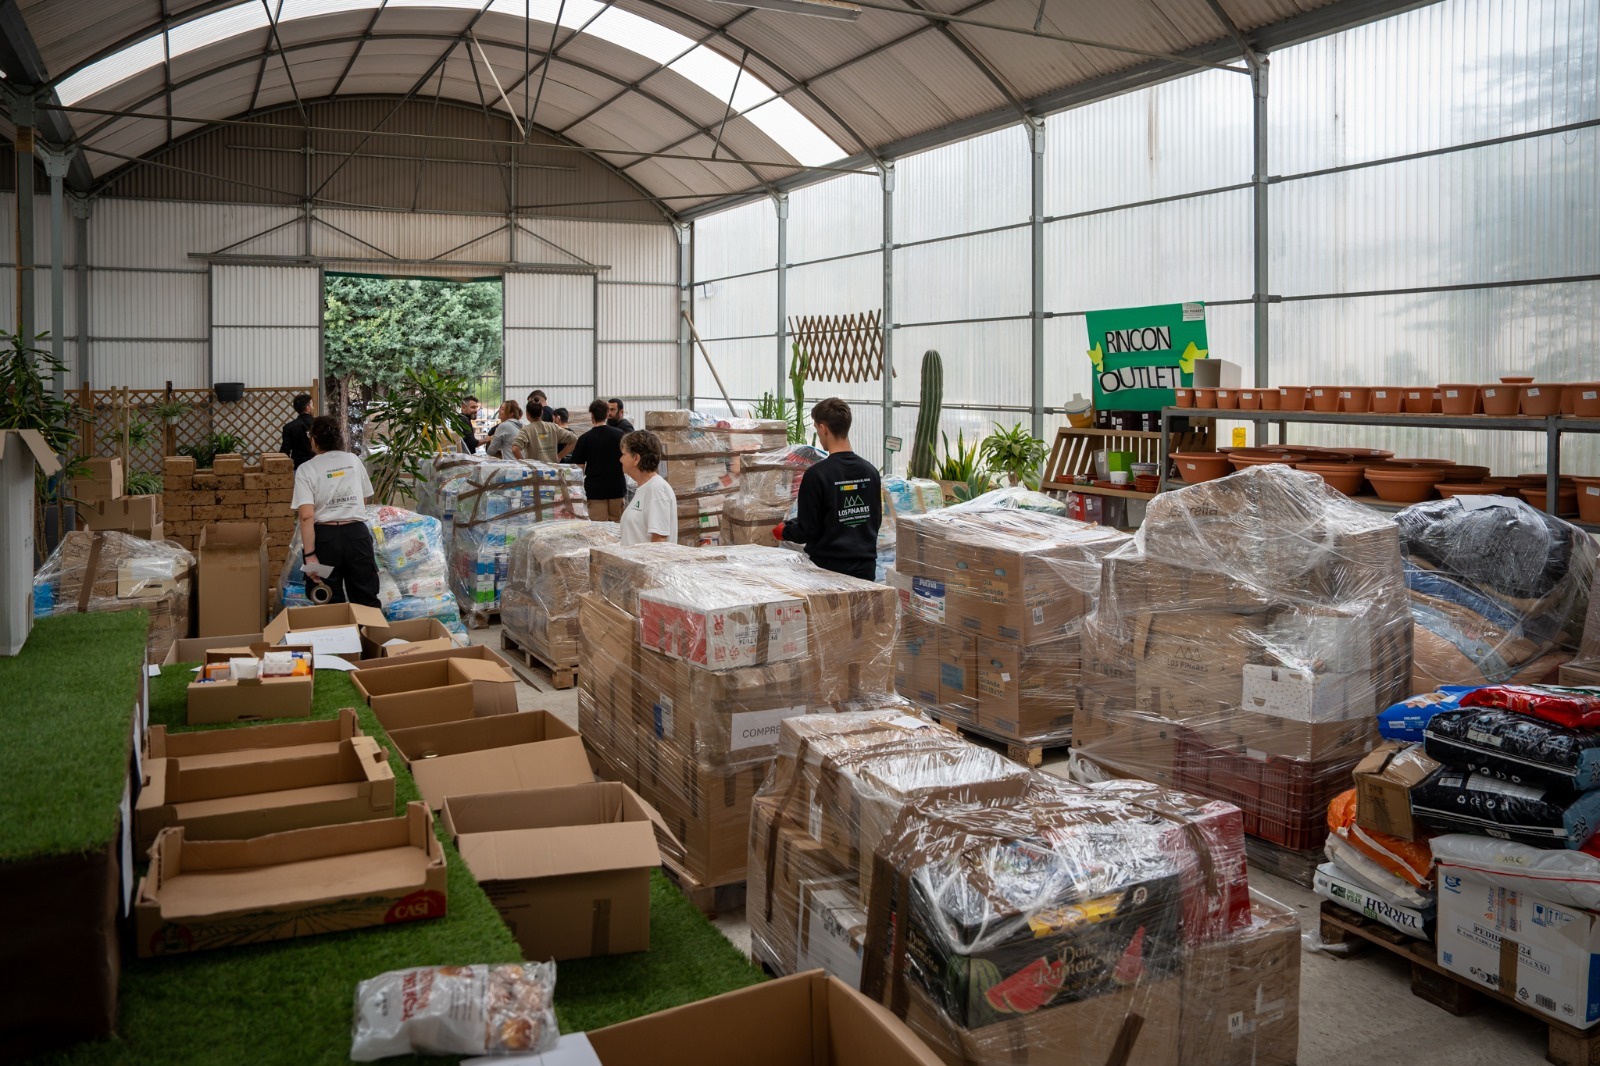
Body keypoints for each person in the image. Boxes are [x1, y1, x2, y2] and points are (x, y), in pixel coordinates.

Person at [776, 398, 882, 581]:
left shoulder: (817, 474)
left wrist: (783, 532)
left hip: (828, 572)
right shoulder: (870, 471)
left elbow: (808, 531)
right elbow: (874, 520)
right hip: (865, 571)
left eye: (817, 428)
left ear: (823, 428)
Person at [293, 415, 381, 608]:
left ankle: (337, 636)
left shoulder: (306, 469)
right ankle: (369, 636)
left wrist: (310, 555)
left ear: (313, 440)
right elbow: (363, 499)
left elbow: (306, 516)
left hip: (325, 540)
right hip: (357, 535)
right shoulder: (353, 460)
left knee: (327, 598)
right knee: (366, 596)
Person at [569, 399, 627, 521]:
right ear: (607, 415)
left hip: (595, 491)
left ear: (592, 416)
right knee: (618, 528)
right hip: (617, 488)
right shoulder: (620, 435)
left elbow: (578, 469)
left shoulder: (585, 439)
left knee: (599, 530)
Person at [619, 430, 676, 546]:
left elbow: (659, 543)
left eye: (624, 454)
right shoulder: (644, 488)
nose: (620, 459)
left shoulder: (657, 489)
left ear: (636, 459)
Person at [512, 411, 577, 462]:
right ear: (541, 413)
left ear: (527, 415)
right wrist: (560, 456)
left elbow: (515, 449)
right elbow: (574, 439)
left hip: (534, 472)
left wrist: (524, 463)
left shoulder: (526, 430)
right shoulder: (553, 427)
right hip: (552, 471)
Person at [280, 393, 315, 468]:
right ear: (308, 408)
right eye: (312, 405)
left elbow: (285, 451)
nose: (313, 408)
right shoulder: (319, 424)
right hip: (317, 466)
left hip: (298, 467)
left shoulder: (288, 427)